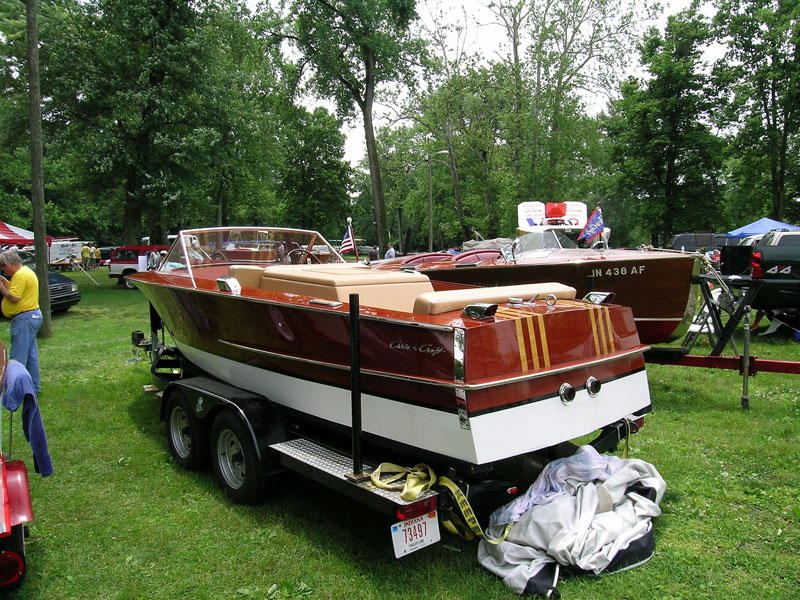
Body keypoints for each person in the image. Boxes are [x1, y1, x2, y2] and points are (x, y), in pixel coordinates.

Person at [0, 248, 43, 393]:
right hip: (32, 316)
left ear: (11, 263)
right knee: (31, 356)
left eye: (3, 265)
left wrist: (1, 287)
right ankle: (33, 388)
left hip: (24, 319)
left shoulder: (20, 275)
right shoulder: (27, 272)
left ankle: (15, 390)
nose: (2, 269)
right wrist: (7, 284)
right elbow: (19, 292)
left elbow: (14, 297)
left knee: (17, 357)